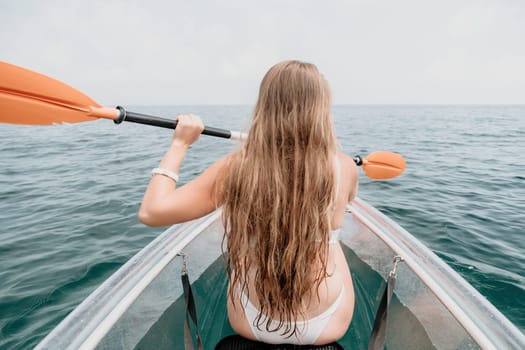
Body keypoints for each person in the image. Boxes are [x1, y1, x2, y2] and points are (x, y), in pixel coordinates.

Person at [139, 60, 358, 345]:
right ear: (321, 110)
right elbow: (349, 199)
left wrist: (180, 144)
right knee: (330, 239)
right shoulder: (345, 167)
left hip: (252, 319)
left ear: (266, 105)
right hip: (327, 319)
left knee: (247, 241)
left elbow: (152, 212)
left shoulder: (236, 168)